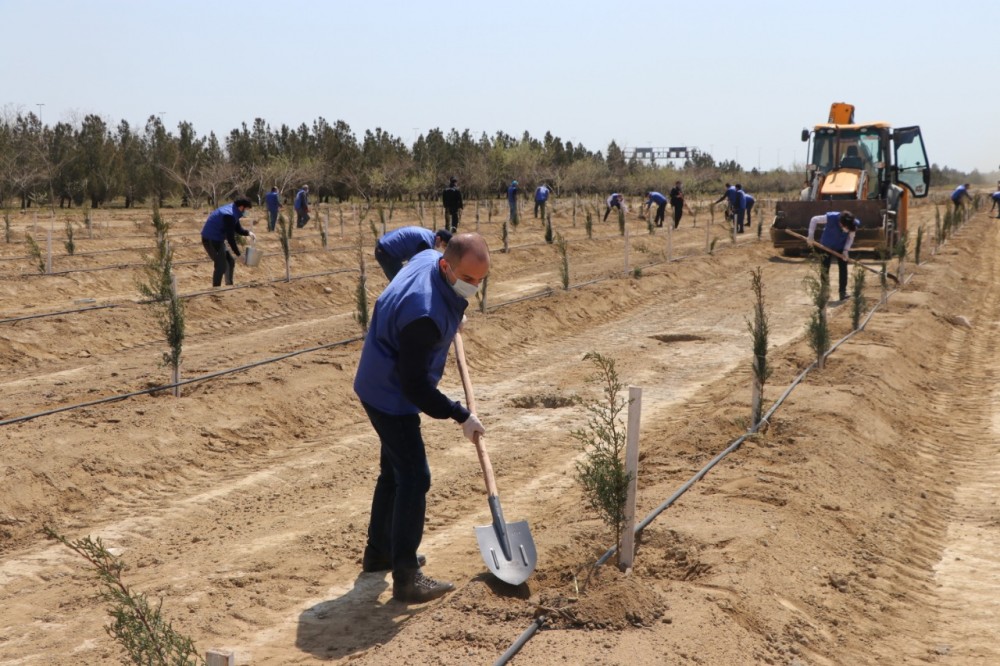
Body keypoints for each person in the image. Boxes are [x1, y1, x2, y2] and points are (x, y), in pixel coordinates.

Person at [354, 233, 491, 604]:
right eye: (469, 279)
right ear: (447, 266)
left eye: (481, 280)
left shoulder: (429, 258)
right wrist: (460, 414)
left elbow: (437, 303)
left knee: (393, 473)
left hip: (375, 379)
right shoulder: (425, 314)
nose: (474, 286)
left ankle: (380, 553)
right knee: (415, 477)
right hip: (390, 395)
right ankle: (406, 577)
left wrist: (454, 316)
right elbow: (414, 386)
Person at [200, 197, 256, 287]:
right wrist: (238, 254)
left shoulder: (234, 210)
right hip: (210, 239)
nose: (247, 211)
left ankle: (229, 286)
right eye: (247, 209)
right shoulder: (229, 215)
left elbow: (238, 229)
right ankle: (216, 289)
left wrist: (248, 233)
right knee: (221, 265)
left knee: (230, 261)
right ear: (242, 207)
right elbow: (230, 238)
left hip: (218, 239)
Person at [807, 210, 860, 301]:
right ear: (840, 222)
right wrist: (811, 236)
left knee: (843, 268)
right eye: (844, 227)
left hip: (841, 247)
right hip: (826, 246)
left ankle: (842, 293)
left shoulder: (853, 224)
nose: (845, 229)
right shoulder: (831, 217)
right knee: (825, 268)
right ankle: (825, 292)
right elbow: (814, 219)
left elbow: (851, 238)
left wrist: (846, 250)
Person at [374, 227, 452, 280]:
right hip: (386, 252)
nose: (442, 248)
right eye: (444, 245)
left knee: (402, 278)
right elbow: (418, 266)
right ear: (439, 239)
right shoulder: (425, 243)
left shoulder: (428, 235)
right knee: (400, 281)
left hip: (385, 248)